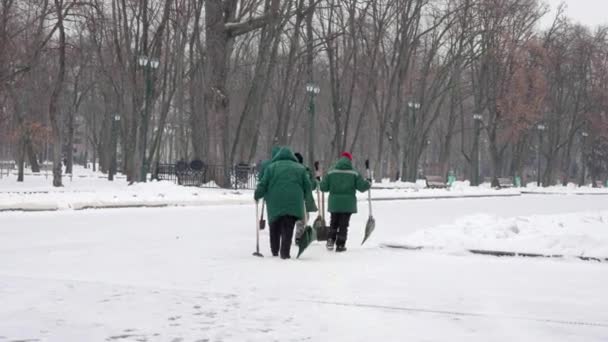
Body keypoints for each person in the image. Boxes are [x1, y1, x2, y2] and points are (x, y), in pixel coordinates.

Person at [254, 147, 312, 259]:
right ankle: (285, 252)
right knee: (288, 225)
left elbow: (263, 183)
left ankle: (274, 250)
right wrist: (306, 195)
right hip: (293, 201)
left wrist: (257, 194)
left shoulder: (271, 168)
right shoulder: (300, 168)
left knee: (274, 224)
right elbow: (308, 185)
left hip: (274, 202)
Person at [320, 152, 371, 252]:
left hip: (334, 203)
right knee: (344, 224)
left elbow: (323, 187)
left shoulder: (331, 172)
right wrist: (368, 182)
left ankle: (330, 240)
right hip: (348, 204)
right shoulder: (354, 173)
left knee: (333, 222)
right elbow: (362, 187)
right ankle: (340, 245)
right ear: (350, 160)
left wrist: (321, 181)